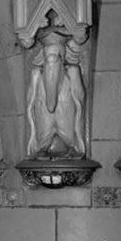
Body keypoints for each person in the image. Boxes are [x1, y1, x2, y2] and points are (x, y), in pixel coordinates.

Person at [25, 20, 87, 158]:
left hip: (66, 109)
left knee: (66, 128)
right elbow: (30, 102)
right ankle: (43, 146)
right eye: (48, 57)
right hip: (44, 111)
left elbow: (79, 98)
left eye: (57, 56)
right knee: (44, 125)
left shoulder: (72, 72)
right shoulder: (36, 75)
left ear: (63, 56)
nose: (52, 61)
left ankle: (71, 145)